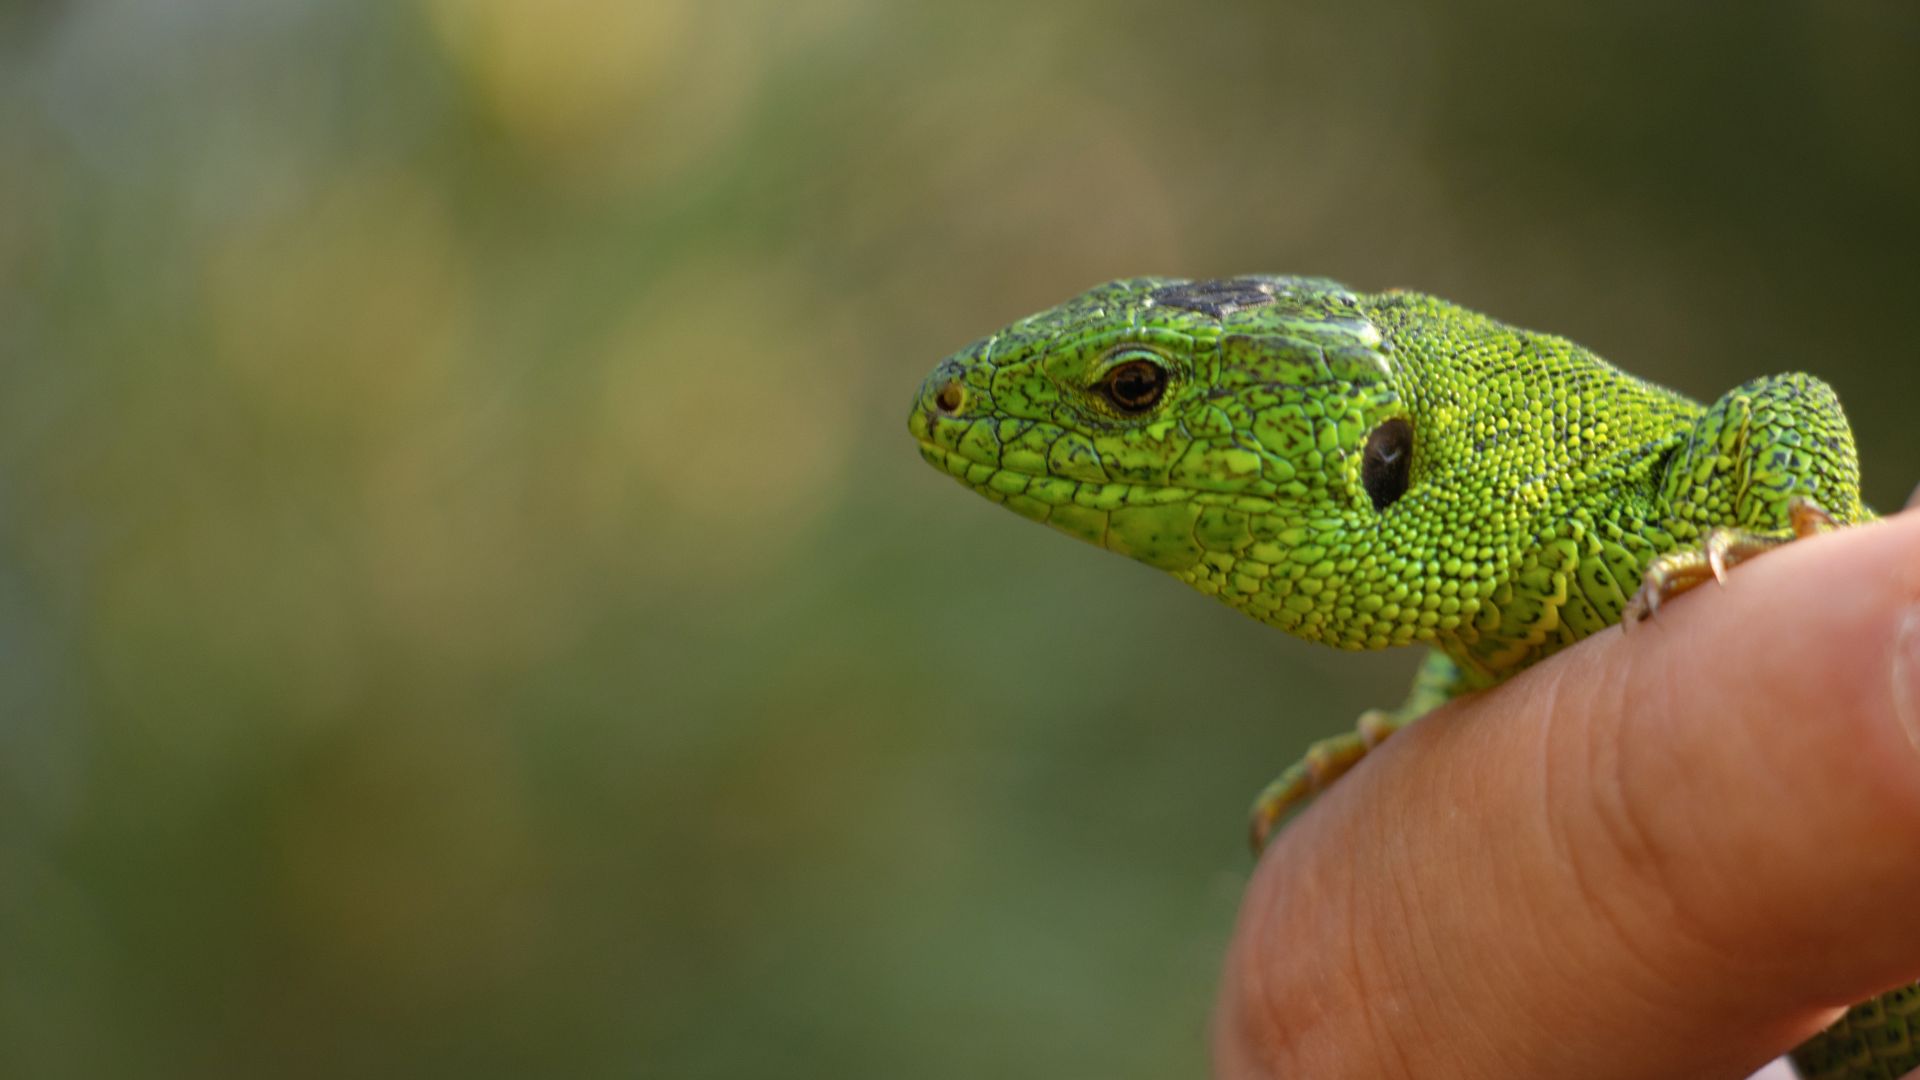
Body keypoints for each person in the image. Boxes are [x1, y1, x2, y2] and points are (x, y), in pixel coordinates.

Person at [1214, 500, 1920, 1080]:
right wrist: (1426, 720)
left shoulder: (1621, 499)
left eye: (1133, 391)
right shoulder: (1499, 585)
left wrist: (1806, 535)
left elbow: (1788, 404)